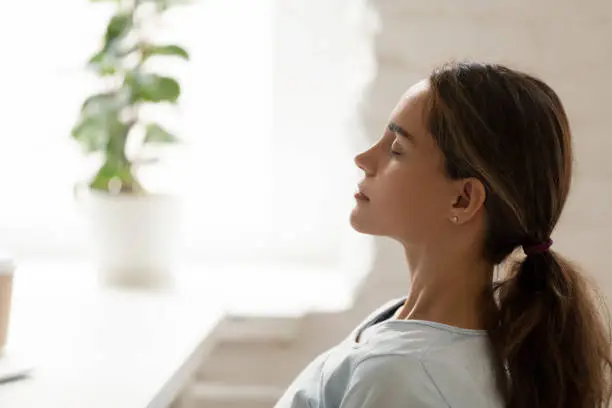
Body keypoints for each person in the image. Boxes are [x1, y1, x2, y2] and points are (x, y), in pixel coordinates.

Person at [274, 62, 612, 408]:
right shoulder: (403, 322)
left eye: (396, 150)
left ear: (462, 199)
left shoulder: (399, 375)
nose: (364, 159)